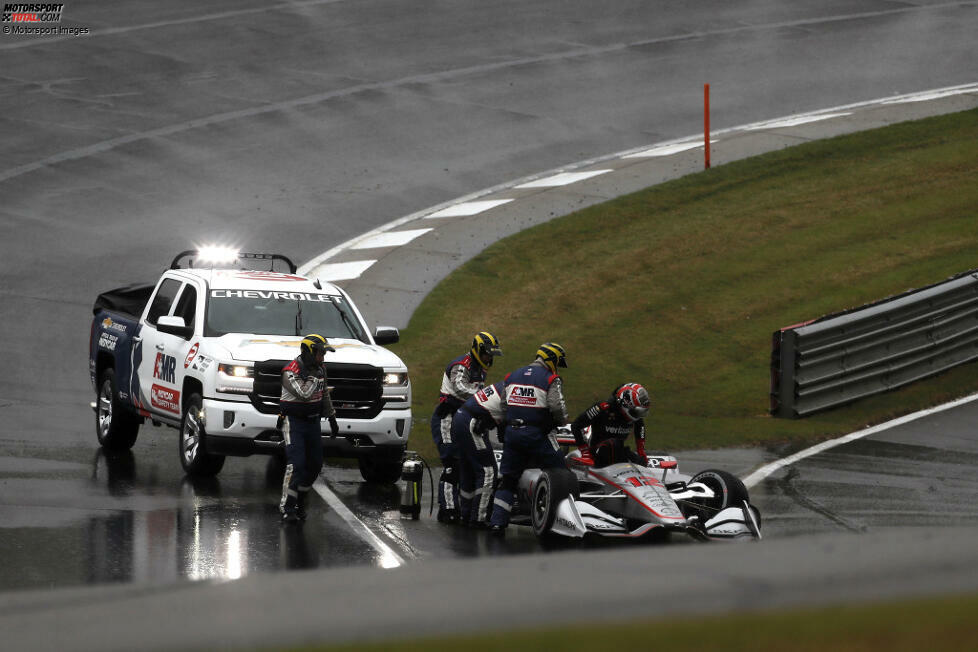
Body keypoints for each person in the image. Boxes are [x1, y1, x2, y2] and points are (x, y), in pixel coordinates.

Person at [488, 343, 569, 535]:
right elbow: (557, 407)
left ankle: (497, 523)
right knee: (561, 474)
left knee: (507, 480)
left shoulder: (512, 375)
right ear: (552, 359)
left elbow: (503, 406)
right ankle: (558, 521)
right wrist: (560, 420)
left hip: (513, 434)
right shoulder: (551, 378)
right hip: (538, 435)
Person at [431, 331, 502, 523]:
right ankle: (448, 509)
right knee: (451, 464)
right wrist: (482, 396)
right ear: (478, 350)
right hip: (447, 418)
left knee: (466, 464)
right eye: (487, 353)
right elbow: (459, 387)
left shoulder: (481, 369)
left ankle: (464, 509)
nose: (489, 357)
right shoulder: (462, 365)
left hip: (464, 420)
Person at [279, 333, 340, 523]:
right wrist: (315, 375)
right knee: (295, 464)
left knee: (315, 464)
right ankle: (287, 507)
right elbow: (304, 394)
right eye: (319, 353)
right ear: (307, 351)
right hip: (293, 422)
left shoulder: (321, 368)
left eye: (324, 354)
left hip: (313, 422)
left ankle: (301, 499)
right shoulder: (290, 371)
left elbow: (324, 394)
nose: (322, 358)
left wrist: (332, 417)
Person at [453, 380, 506, 528]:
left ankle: (466, 513)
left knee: (468, 469)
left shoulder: (503, 385)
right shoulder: (512, 391)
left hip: (461, 418)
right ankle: (479, 517)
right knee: (487, 471)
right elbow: (506, 421)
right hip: (472, 423)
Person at [571, 383, 651, 468]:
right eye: (636, 412)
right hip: (597, 452)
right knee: (613, 444)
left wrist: (641, 451)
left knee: (641, 463)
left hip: (618, 451)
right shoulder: (602, 408)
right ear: (625, 403)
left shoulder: (635, 416)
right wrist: (585, 452)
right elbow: (576, 425)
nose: (638, 415)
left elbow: (640, 427)